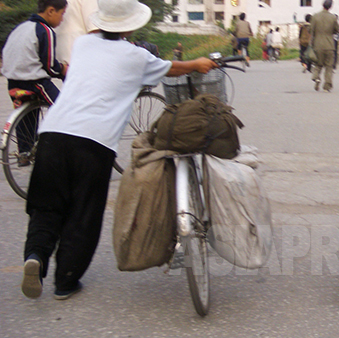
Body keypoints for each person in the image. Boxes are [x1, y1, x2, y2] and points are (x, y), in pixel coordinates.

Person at [19, 0, 218, 300]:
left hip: (53, 134)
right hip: (94, 143)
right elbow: (175, 69)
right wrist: (197, 64)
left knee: (47, 205)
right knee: (83, 213)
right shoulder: (136, 56)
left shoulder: (85, 44)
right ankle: (66, 281)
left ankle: (35, 255)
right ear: (132, 25)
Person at [1, 0, 69, 166]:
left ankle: (24, 152)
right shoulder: (45, 30)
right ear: (51, 11)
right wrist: (63, 70)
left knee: (28, 119)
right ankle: (58, 149)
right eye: (62, 14)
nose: (62, 19)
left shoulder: (20, 28)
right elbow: (50, 66)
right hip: (35, 82)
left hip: (13, 83)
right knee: (63, 110)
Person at [310, 0, 339, 92]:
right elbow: (336, 30)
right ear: (330, 7)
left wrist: (311, 43)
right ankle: (327, 86)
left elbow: (311, 30)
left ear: (322, 5)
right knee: (329, 66)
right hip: (329, 45)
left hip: (318, 45)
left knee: (318, 64)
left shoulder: (315, 16)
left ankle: (316, 77)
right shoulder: (333, 17)